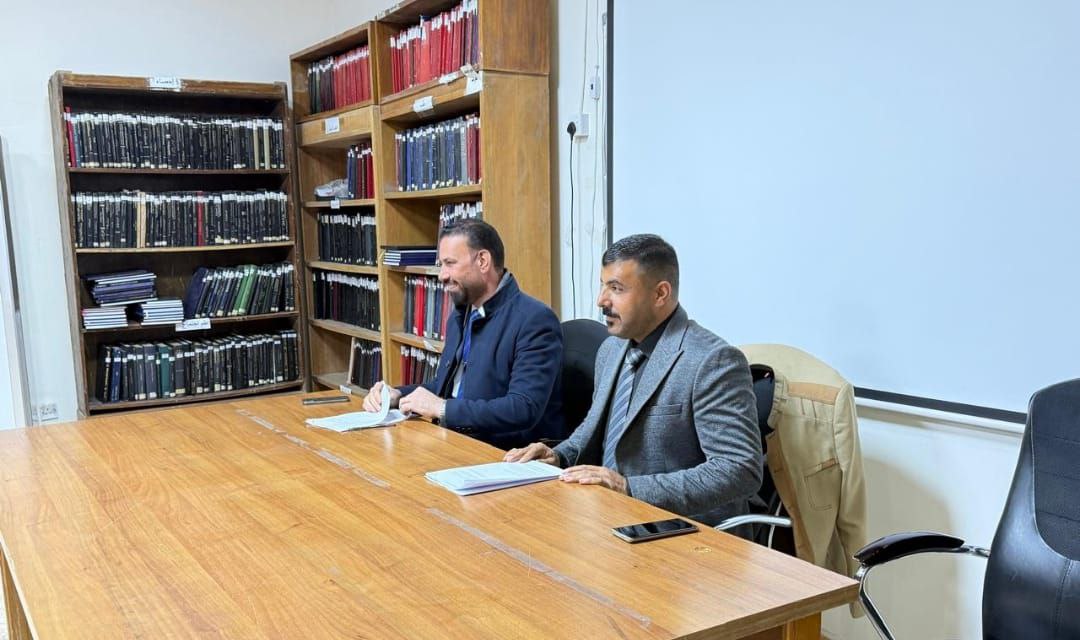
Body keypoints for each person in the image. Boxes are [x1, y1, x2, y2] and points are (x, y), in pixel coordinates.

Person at [505, 234, 762, 527]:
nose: (601, 300)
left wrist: (629, 487)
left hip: (679, 529)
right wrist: (558, 455)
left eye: (616, 288)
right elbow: (594, 428)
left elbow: (739, 470)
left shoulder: (712, 361)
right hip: (606, 514)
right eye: (603, 285)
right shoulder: (611, 349)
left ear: (660, 294)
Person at [363, 219, 564, 450]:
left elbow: (522, 408)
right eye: (441, 265)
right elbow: (448, 388)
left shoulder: (534, 320)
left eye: (450, 263)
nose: (442, 275)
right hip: (455, 442)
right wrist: (399, 395)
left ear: (483, 261)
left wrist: (442, 409)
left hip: (504, 453)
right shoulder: (462, 314)